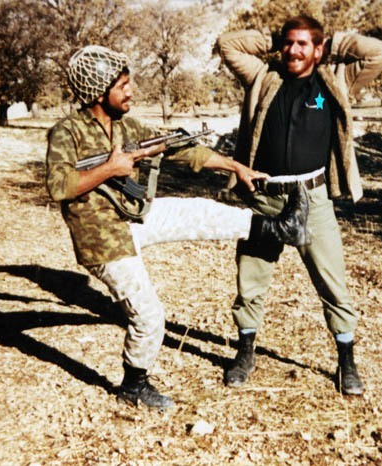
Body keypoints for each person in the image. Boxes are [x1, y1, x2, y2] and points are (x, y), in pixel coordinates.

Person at [46, 45, 310, 409]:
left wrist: (235, 166)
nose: (131, 91)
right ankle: (133, 385)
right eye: (122, 86)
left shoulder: (127, 126)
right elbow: (58, 186)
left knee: (198, 212)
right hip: (103, 241)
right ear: (99, 92)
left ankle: (280, 229)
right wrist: (111, 168)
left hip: (132, 217)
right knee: (150, 316)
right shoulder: (66, 132)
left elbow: (180, 149)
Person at [217, 15, 382, 395]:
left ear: (318, 49)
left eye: (302, 44)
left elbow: (379, 52)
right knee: (250, 281)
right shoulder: (262, 76)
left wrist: (332, 43)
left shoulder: (336, 80)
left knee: (333, 283)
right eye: (288, 43)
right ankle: (245, 353)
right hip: (264, 195)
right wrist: (274, 38)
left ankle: (346, 362)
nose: (293, 51)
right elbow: (229, 44)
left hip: (313, 197)